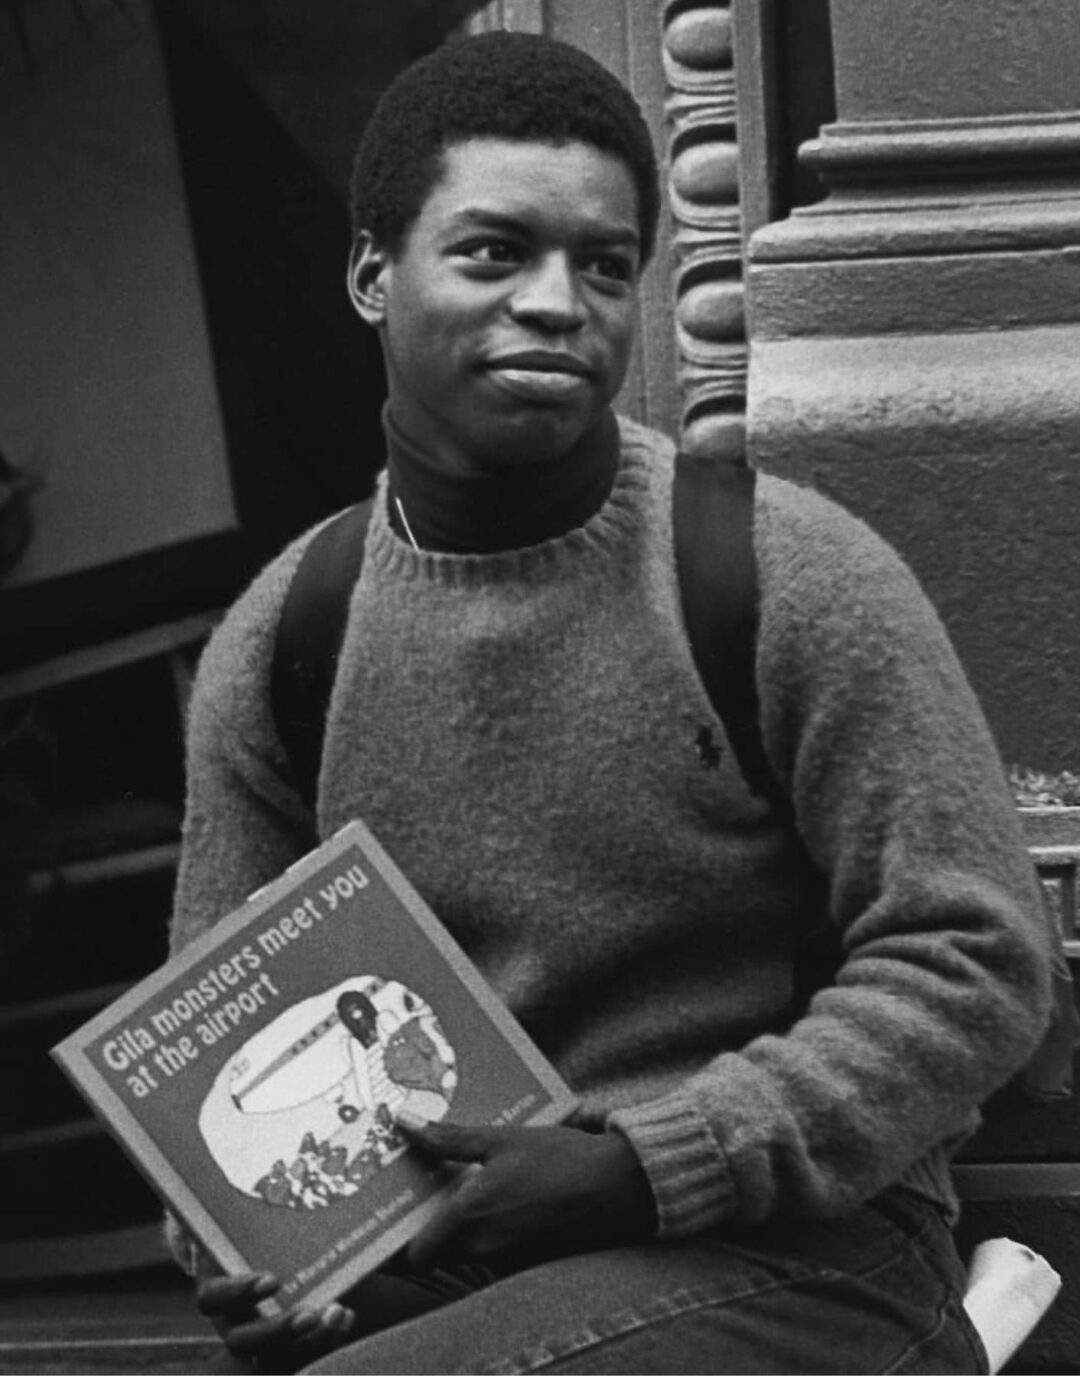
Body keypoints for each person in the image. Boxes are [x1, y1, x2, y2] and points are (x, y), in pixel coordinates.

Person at [170, 31, 1053, 1375]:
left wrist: (649, 1164)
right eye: (493, 252)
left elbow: (978, 958)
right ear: (371, 274)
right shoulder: (288, 638)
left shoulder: (778, 573)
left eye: (603, 263)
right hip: (458, 1262)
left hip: (803, 1250)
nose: (555, 302)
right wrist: (250, 1255)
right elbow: (216, 1053)